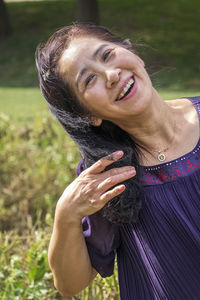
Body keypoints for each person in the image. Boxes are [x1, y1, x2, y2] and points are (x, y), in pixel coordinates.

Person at [35, 23, 200, 300]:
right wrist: (66, 216)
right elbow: (70, 284)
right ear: (88, 115)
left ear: (133, 53)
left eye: (107, 55)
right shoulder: (105, 176)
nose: (111, 75)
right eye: (89, 80)